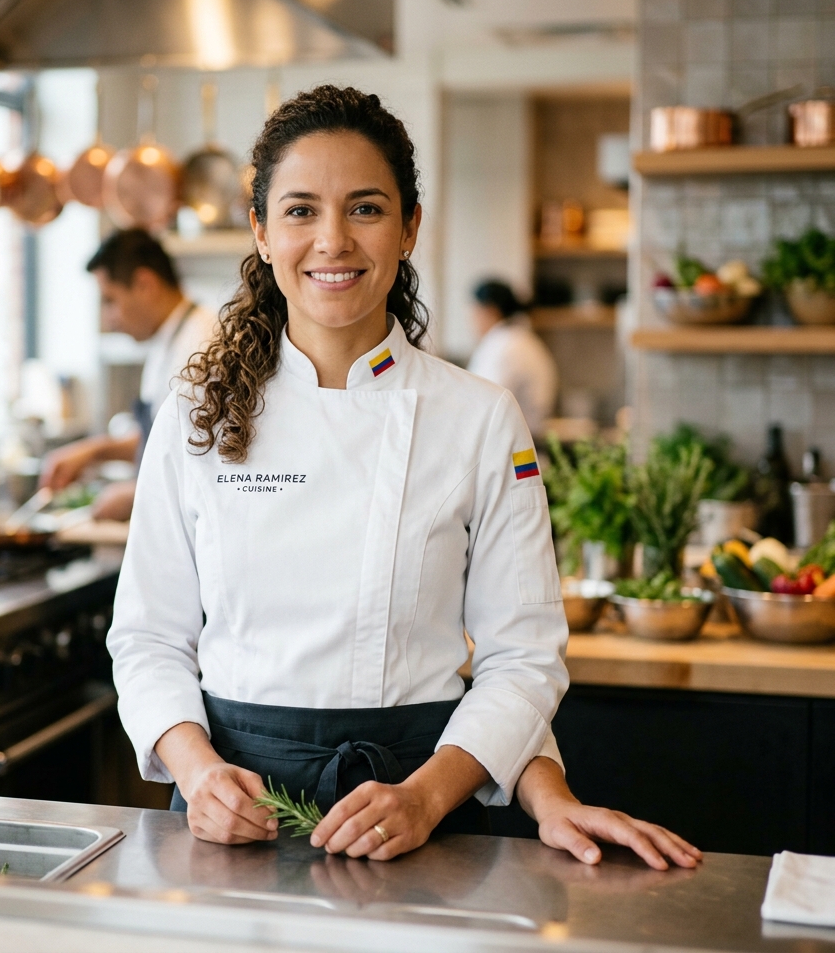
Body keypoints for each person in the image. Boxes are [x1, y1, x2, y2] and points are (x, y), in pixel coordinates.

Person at [108, 86, 700, 870]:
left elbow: (522, 657)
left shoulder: (480, 417)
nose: (332, 241)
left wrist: (426, 797)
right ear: (259, 229)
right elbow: (149, 637)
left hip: (425, 814)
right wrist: (197, 770)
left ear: (409, 226)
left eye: (365, 209)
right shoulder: (197, 412)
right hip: (232, 816)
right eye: (299, 211)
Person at [41, 229, 217, 521]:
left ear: (145, 284)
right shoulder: (170, 339)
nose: (108, 319)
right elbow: (166, 440)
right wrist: (93, 452)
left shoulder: (200, 346)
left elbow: (202, 463)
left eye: (110, 300)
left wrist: (135, 494)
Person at [467, 279, 558, 439]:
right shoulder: (523, 339)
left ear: (489, 311)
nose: (472, 321)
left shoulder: (502, 346)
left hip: (511, 444)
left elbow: (484, 403)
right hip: (524, 439)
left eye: (475, 312)